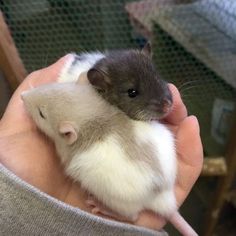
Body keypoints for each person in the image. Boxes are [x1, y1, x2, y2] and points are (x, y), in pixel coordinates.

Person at [0, 55, 203, 235]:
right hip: (156, 176)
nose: (25, 97)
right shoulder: (91, 96)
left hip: (143, 182)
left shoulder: (75, 125)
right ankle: (129, 210)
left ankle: (128, 211)